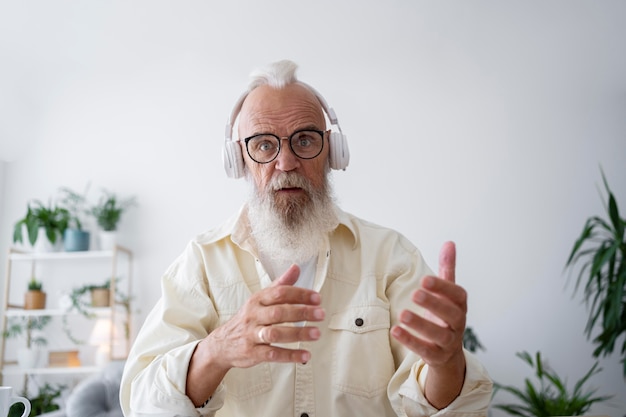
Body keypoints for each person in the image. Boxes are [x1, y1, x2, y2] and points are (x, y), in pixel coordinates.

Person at [120, 59, 492, 417]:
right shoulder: (201, 262)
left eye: (304, 140)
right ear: (239, 161)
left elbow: (443, 409)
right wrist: (217, 349)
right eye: (264, 144)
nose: (286, 162)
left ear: (332, 151)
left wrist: (447, 363)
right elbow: (142, 404)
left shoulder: (390, 257)